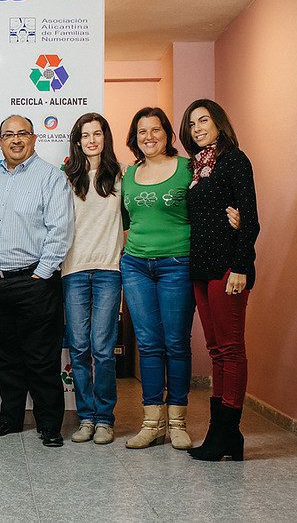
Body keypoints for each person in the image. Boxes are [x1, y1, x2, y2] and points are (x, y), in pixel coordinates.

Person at [0, 115, 74, 447]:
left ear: (34, 138)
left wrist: (41, 274)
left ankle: (49, 425)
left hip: (33, 282)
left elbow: (60, 231)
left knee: (41, 358)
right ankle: (10, 418)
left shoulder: (50, 177)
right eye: (8, 134)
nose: (15, 140)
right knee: (5, 357)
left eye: (22, 133)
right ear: (0, 141)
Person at [180, 99, 259, 461]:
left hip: (229, 267)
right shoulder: (197, 168)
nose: (197, 128)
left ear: (219, 123)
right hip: (201, 268)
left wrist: (242, 266)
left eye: (204, 120)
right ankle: (224, 435)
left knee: (231, 348)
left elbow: (250, 218)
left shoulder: (233, 161)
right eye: (192, 123)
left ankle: (227, 431)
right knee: (215, 350)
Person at [121, 107, 195, 450]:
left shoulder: (188, 169)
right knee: (149, 344)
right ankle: (152, 422)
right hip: (135, 265)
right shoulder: (129, 176)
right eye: (141, 132)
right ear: (135, 139)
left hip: (177, 264)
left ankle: (177, 421)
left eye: (155, 130)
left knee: (176, 343)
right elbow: (123, 221)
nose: (148, 137)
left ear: (168, 134)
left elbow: (206, 210)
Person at [61, 113, 123, 445]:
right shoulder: (66, 178)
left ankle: (105, 419)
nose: (92, 140)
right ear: (78, 140)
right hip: (73, 271)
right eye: (85, 135)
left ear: (105, 138)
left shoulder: (121, 176)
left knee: (102, 348)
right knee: (80, 348)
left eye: (97, 134)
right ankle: (85, 417)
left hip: (109, 271)